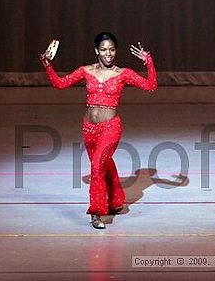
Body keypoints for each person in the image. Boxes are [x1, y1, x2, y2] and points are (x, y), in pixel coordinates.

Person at [39, 32, 157, 229]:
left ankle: (96, 212)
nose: (108, 53)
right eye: (103, 49)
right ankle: (116, 200)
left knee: (96, 167)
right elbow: (60, 84)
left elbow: (151, 86)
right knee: (104, 165)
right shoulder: (86, 71)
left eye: (111, 49)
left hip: (111, 128)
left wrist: (148, 61)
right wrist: (47, 65)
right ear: (96, 51)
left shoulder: (123, 73)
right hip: (89, 128)